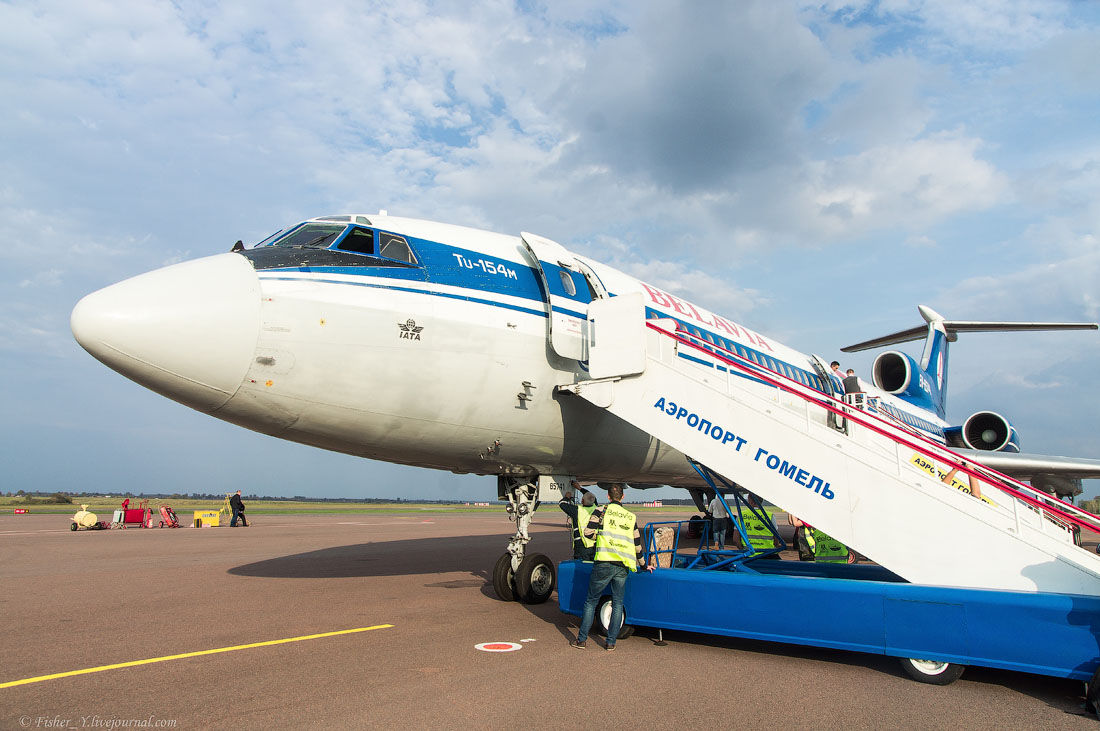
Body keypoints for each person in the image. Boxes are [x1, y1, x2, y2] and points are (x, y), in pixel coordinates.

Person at [570, 484, 654, 651]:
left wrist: (598, 537)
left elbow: (587, 532)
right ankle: (610, 642)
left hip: (603, 561)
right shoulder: (630, 517)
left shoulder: (601, 511)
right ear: (622, 497)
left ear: (608, 496)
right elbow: (637, 545)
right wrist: (644, 565)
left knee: (591, 601)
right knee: (617, 603)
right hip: (622, 566)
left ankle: (581, 640)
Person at [559, 480, 598, 560]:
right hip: (594, 543)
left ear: (582, 501)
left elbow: (562, 504)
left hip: (581, 545)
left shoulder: (578, 510)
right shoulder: (597, 509)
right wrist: (580, 488)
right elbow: (591, 496)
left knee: (581, 567)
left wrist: (566, 497)